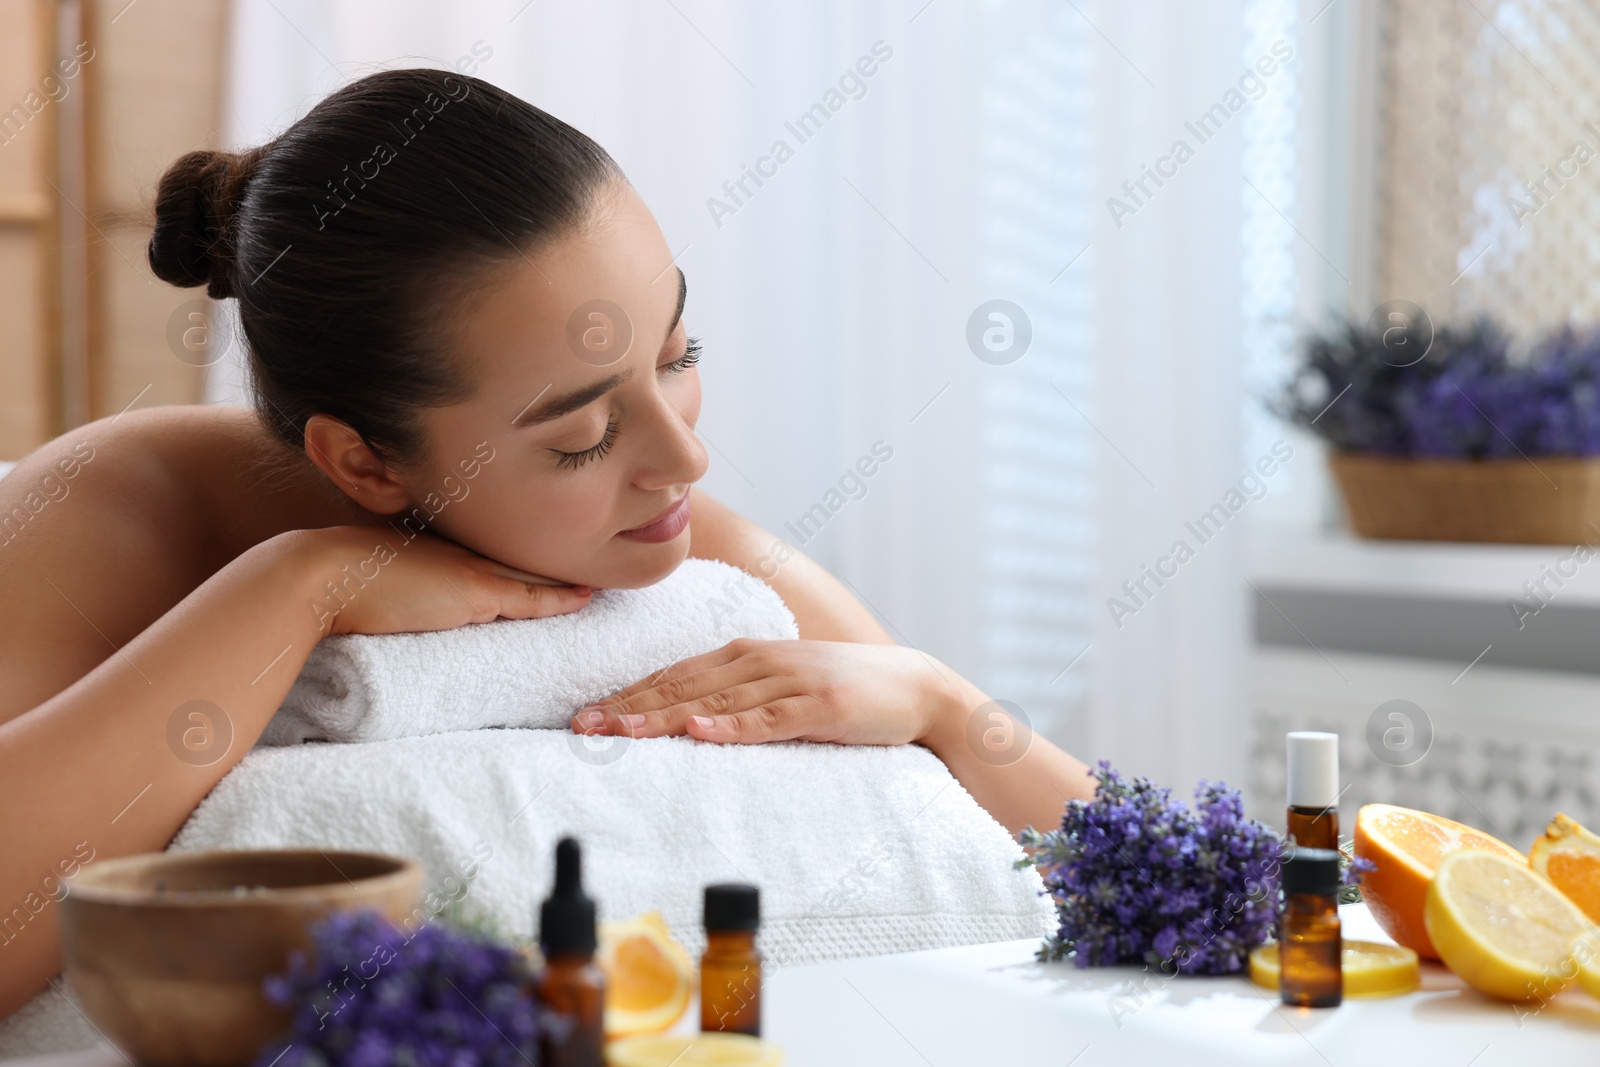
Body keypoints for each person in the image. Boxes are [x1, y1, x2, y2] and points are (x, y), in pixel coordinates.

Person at [0, 67, 1092, 1017]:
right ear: (368, 464)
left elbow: (1122, 862)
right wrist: (300, 587)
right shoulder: (111, 509)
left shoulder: (677, 540)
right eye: (581, 434)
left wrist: (941, 703)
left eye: (677, 352)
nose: (683, 459)